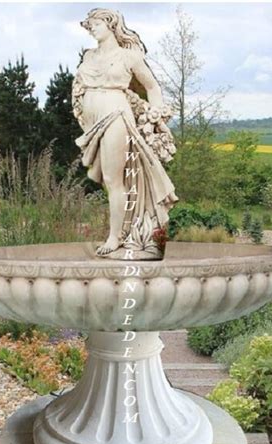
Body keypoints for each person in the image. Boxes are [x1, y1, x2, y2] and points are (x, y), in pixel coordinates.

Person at [73, 8, 178, 259]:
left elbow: (152, 86)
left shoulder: (128, 56)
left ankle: (115, 237)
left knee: (113, 179)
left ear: (110, 24)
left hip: (116, 115)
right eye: (89, 26)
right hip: (92, 123)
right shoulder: (88, 56)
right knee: (110, 180)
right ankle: (123, 232)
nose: (91, 29)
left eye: (95, 24)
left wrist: (154, 117)